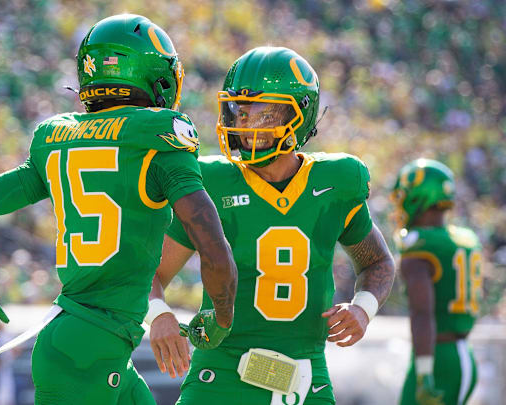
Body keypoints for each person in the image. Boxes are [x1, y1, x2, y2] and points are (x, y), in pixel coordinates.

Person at [0, 14, 237, 405]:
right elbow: (211, 243)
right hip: (90, 349)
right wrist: (220, 313)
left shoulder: (56, 137)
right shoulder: (158, 134)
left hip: (84, 342)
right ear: (156, 74)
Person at [146, 46, 396, 405]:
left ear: (299, 116)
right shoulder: (211, 182)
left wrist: (364, 307)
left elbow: (378, 262)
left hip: (305, 377)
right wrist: (160, 316)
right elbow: (150, 273)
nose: (244, 125)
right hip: (221, 375)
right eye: (238, 111)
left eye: (261, 113)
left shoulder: (336, 182)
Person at [393, 159, 482, 405]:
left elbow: (422, 313)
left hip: (438, 358)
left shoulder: (420, 244)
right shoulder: (466, 238)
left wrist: (424, 371)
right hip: (463, 353)